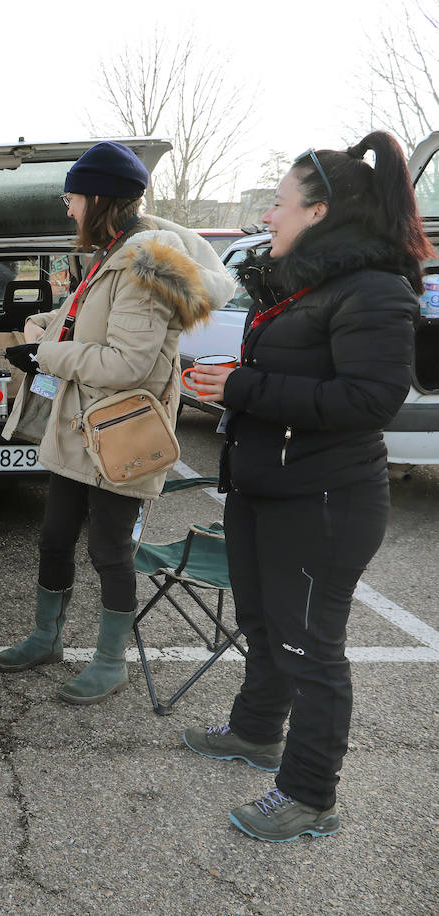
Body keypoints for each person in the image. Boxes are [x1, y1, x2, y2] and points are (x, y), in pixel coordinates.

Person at [181, 133, 426, 843]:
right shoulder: (310, 286)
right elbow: (304, 377)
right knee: (263, 625)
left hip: (325, 500)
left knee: (310, 648)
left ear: (319, 213)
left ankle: (311, 794)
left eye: (281, 202)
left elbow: (371, 399)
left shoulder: (375, 289)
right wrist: (234, 383)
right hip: (271, 488)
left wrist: (243, 383)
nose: (269, 213)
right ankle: (257, 731)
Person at [0, 141, 235, 705]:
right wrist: (46, 324)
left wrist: (48, 357)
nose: (68, 208)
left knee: (108, 549)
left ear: (98, 197)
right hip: (81, 428)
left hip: (121, 432)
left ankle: (110, 661)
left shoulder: (144, 264)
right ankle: (45, 638)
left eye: (72, 197)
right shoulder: (113, 251)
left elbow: (127, 364)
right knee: (54, 537)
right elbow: (91, 324)